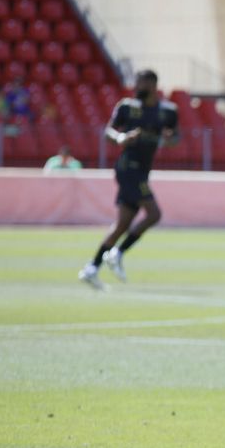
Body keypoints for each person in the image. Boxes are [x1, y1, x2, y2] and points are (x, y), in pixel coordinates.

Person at [79, 70, 178, 289]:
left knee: (122, 224)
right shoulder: (127, 107)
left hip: (142, 170)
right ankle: (118, 253)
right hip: (128, 168)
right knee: (154, 213)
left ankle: (92, 268)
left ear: (153, 85)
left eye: (141, 84)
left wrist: (169, 140)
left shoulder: (167, 112)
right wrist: (121, 138)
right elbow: (108, 132)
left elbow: (175, 137)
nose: (136, 87)